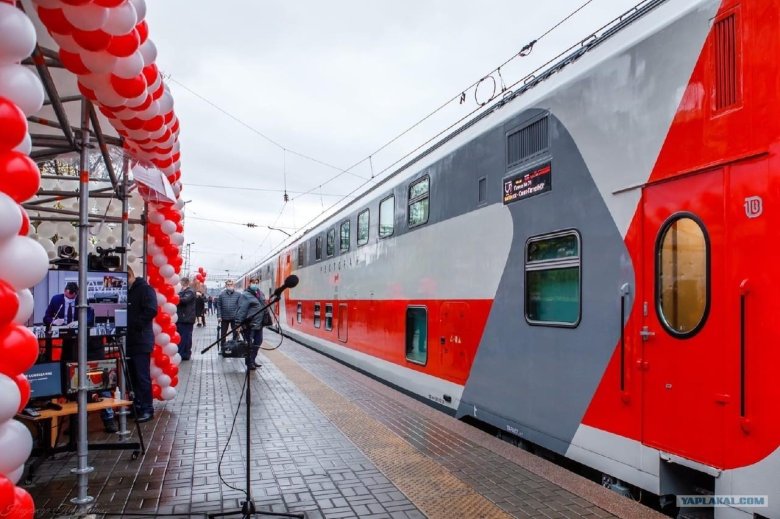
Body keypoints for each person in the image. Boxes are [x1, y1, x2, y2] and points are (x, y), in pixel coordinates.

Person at [126, 266, 158, 423]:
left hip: (140, 339)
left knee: (141, 375)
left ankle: (147, 408)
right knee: (132, 376)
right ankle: (137, 406)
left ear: (129, 275)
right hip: (130, 339)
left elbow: (151, 310)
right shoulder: (129, 291)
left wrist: (135, 325)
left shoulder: (145, 289)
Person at [234, 277, 267, 370]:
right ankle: (249, 362)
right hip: (249, 324)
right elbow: (241, 310)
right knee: (249, 344)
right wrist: (238, 324)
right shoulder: (245, 295)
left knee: (258, 342)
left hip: (259, 324)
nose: (255, 284)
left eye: (257, 282)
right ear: (249, 283)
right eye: (253, 282)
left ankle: (252, 359)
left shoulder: (260, 294)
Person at [216, 279, 241, 350]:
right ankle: (223, 348)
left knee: (235, 333)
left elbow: (240, 306)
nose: (229, 286)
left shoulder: (238, 295)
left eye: (231, 285)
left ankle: (234, 348)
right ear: (226, 285)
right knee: (223, 334)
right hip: (224, 318)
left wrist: (239, 317)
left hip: (234, 318)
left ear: (233, 285)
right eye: (228, 285)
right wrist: (219, 316)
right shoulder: (221, 295)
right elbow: (219, 306)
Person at [176, 276, 196, 360]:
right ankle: (183, 353)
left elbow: (184, 300)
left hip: (186, 318)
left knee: (185, 337)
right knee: (182, 336)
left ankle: (184, 353)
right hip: (182, 318)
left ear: (184, 283)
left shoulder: (190, 292)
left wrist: (175, 297)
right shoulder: (182, 291)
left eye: (180, 283)